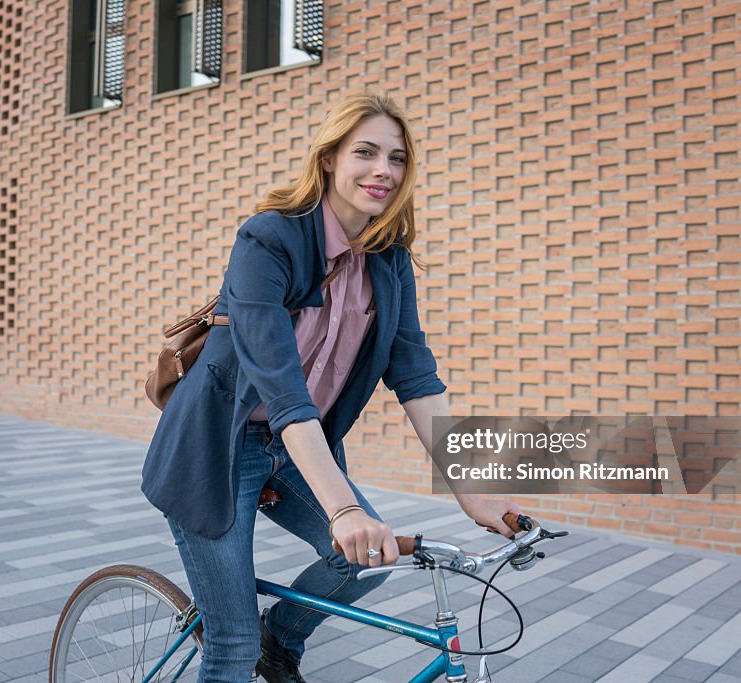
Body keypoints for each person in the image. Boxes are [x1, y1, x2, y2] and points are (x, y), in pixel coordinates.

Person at [141, 92, 522, 683]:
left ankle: (282, 637)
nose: (383, 171)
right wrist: (342, 507)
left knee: (368, 562)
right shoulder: (268, 240)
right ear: (328, 160)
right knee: (231, 642)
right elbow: (282, 385)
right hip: (217, 449)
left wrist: (473, 495)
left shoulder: (388, 258)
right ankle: (249, 639)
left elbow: (417, 377)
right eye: (365, 152)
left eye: (396, 158)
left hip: (296, 450)